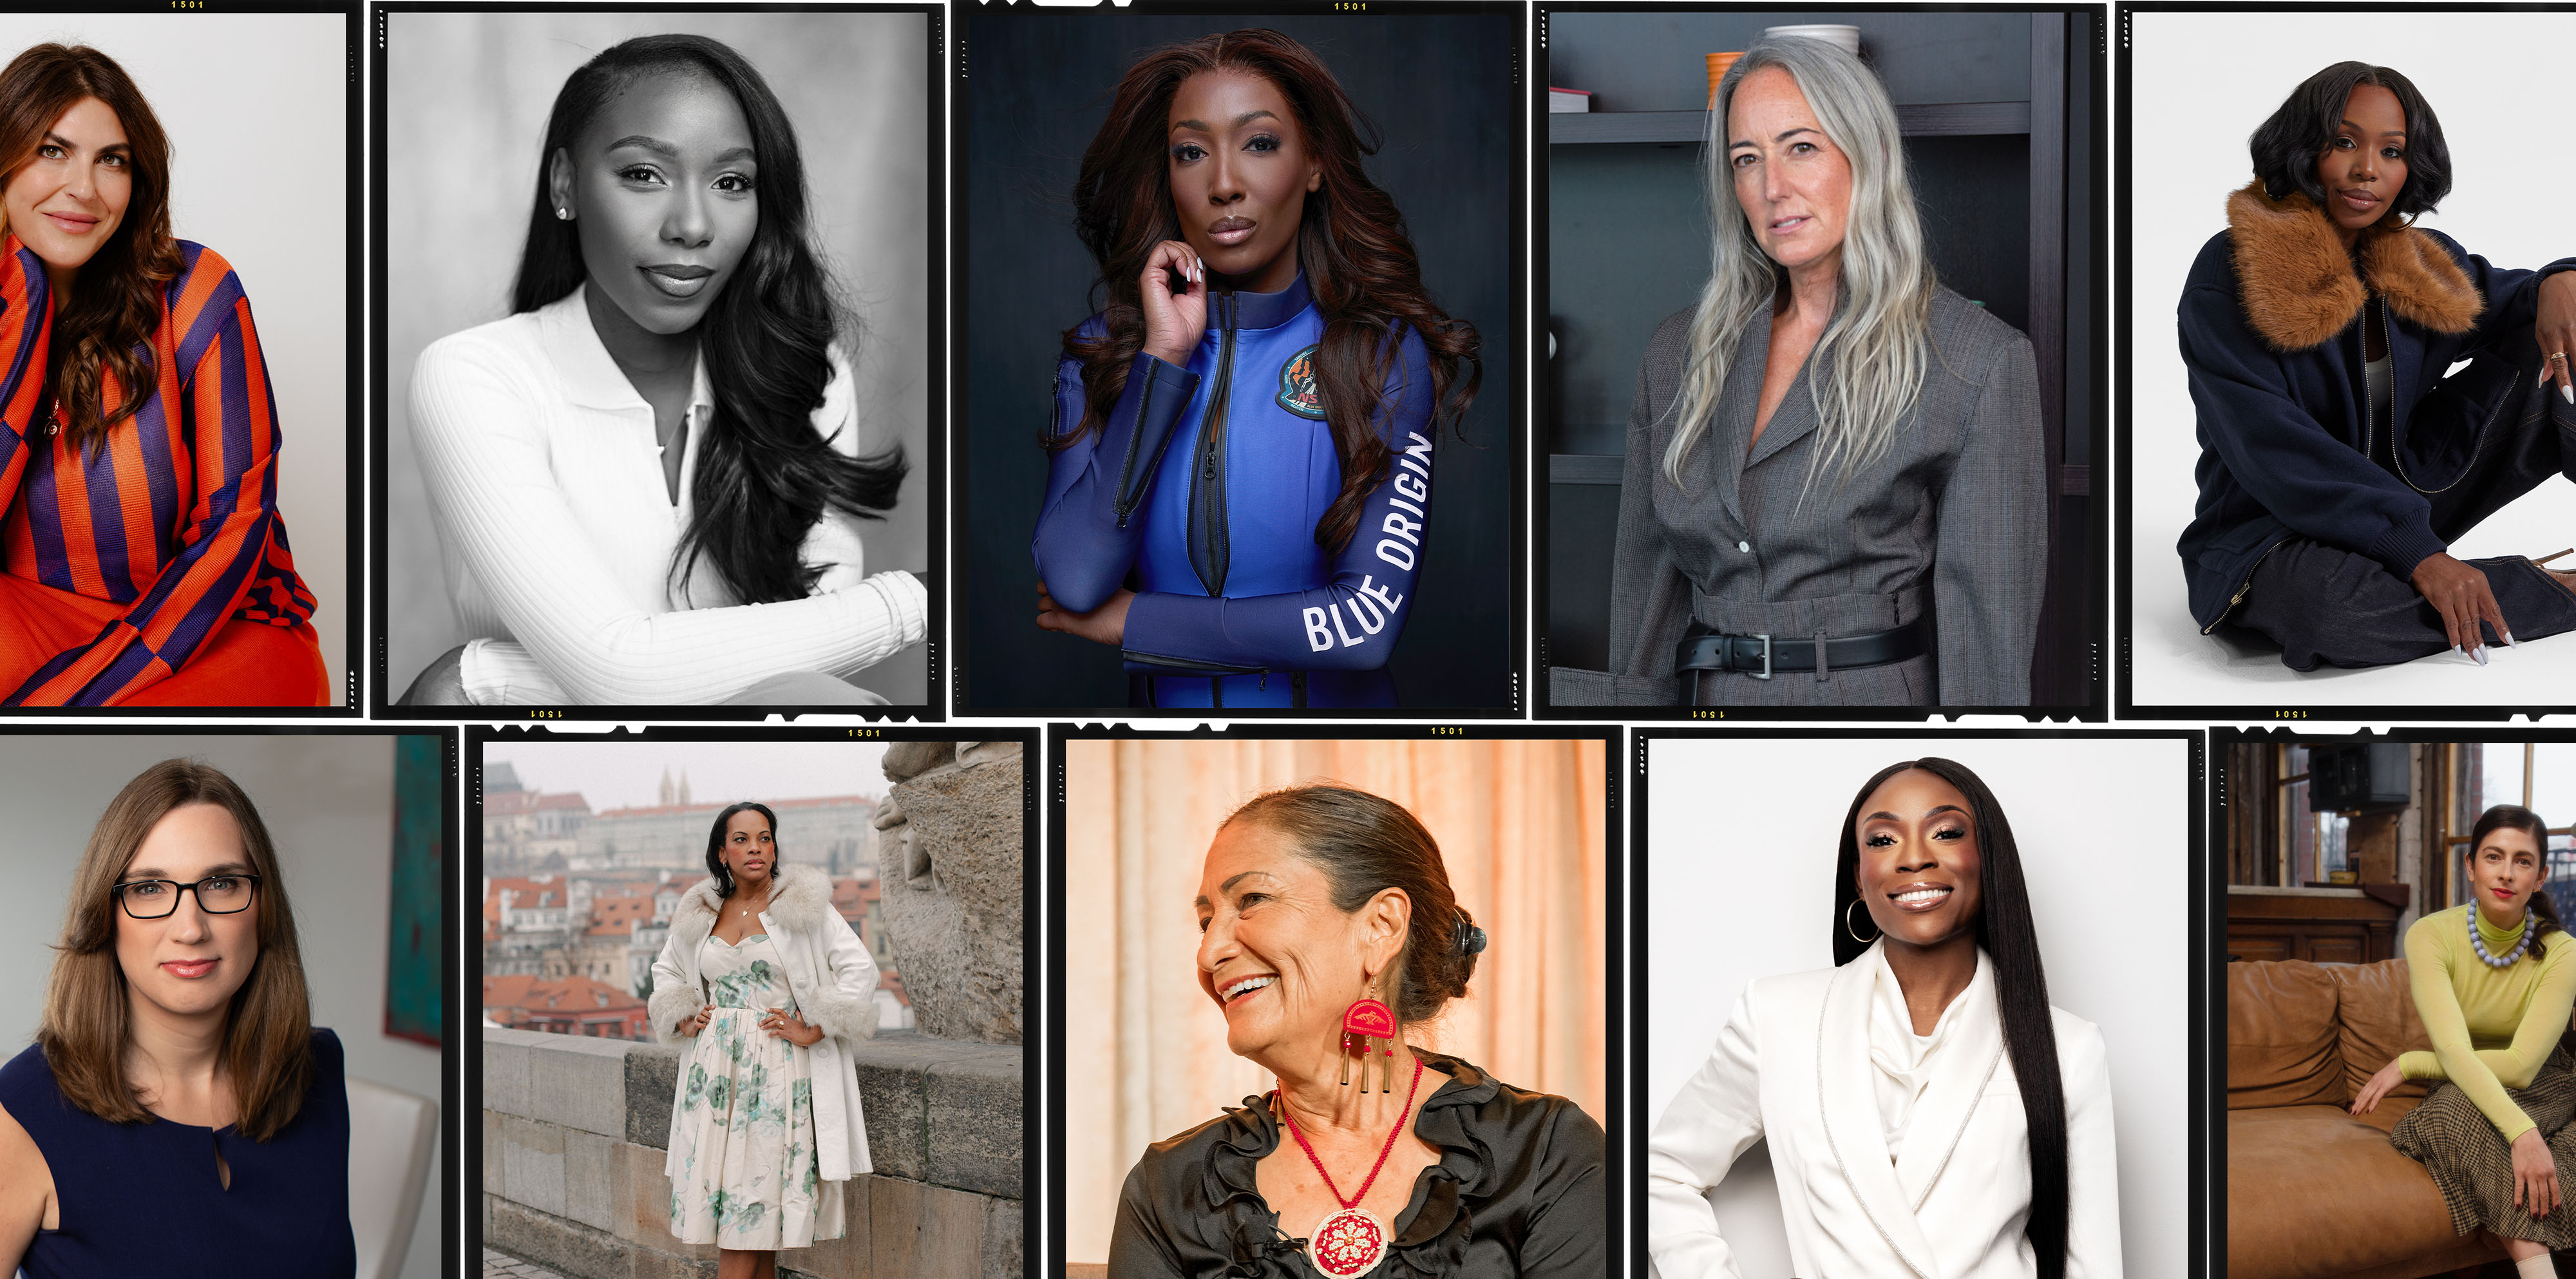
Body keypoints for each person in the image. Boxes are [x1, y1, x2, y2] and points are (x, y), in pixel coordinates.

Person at [405, 33, 925, 708]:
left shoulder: (806, 376)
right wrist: (921, 599)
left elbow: (809, 673)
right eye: (644, 174)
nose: (692, 224)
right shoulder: (475, 376)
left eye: (732, 182)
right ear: (566, 183)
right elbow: (617, 672)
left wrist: (480, 678)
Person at [1550, 37, 2046, 709]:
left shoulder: (1976, 359)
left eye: (1801, 147)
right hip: (1701, 708)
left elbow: (1985, 636)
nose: (1772, 188)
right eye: (1746, 160)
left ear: (1865, 153)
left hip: (1871, 707)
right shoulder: (1675, 352)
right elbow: (1646, 594)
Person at [1093, 783, 1606, 1279]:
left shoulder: (1545, 1154)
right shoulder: (1170, 1187)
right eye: (1205, 919)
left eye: (1251, 900)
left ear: (1380, 927)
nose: (1209, 951)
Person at [1646, 758, 2125, 1279]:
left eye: (1946, 832)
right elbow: (1658, 1172)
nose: (1912, 859)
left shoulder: (2067, 1048)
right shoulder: (1777, 1017)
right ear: (1858, 876)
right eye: (1882, 839)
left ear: (1988, 861)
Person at [1030, 30, 1481, 710]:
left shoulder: (1380, 352)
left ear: (1314, 165)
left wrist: (1132, 622)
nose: (1224, 184)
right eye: (1191, 153)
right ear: (1169, 174)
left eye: (1259, 144)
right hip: (1165, 763)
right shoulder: (1104, 353)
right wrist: (1163, 360)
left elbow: (1363, 628)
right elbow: (1071, 581)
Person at [0, 760, 376, 1279]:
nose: (191, 925)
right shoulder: (24, 1111)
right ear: (106, 913)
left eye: (222, 883)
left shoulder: (315, 1070)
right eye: (149, 888)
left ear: (263, 908)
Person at [2177, 62, 2576, 670]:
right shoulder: (2233, 271)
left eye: (2392, 151)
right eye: (2345, 142)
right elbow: (2273, 447)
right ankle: (2544, 591)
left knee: (2564, 335)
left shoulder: (2415, 260)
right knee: (2332, 615)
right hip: (2272, 530)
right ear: (2305, 147)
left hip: (2405, 492)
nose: (2368, 168)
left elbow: (2516, 300)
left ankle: (2427, 573)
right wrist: (2422, 554)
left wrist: (2561, 278)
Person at [0, 45, 327, 707]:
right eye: (52, 151)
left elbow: (235, 526)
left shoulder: (196, 293)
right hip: (31, 615)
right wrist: (24, 303)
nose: (84, 189)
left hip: (209, 629)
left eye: (111, 160)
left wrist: (80, 697)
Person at [647, 801, 881, 1279]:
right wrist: (682, 1011)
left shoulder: (803, 907)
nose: (756, 848)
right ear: (721, 852)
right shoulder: (700, 911)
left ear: (775, 848)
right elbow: (667, 970)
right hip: (713, 1074)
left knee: (747, 1210)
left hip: (777, 1077)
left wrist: (815, 1027)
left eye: (765, 838)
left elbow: (860, 970)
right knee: (744, 1211)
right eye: (742, 839)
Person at [2351, 805, 2576, 1279]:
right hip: (2465, 1083)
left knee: (2457, 1109)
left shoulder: (2563, 952)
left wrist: (2412, 1064)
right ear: (2471, 865)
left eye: (2523, 861)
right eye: (2494, 857)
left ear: (2539, 878)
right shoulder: (2430, 933)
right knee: (2445, 1113)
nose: (2507, 872)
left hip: (2548, 1081)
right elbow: (2455, 1047)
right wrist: (2520, 1135)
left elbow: (2525, 1066)